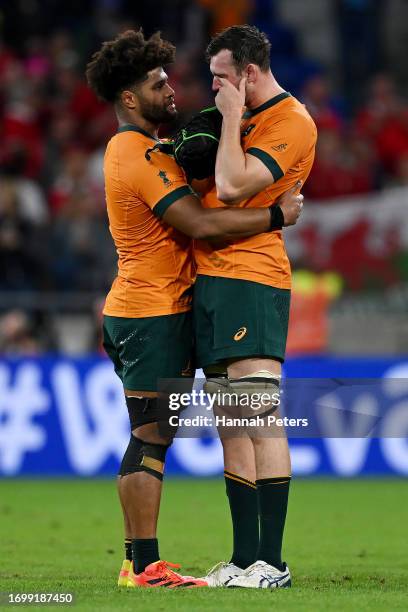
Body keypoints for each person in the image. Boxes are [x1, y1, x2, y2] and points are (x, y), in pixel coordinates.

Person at [85, 29, 303, 589]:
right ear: (130, 99)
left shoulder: (159, 145)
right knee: (152, 436)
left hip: (178, 303)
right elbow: (203, 222)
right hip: (150, 309)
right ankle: (140, 566)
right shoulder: (130, 151)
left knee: (222, 421)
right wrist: (277, 217)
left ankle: (170, 561)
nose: (174, 92)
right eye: (159, 85)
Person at [193, 25, 317, 588]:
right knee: (231, 423)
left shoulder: (291, 121)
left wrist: (229, 116)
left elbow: (234, 184)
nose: (213, 88)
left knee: (260, 416)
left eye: (221, 77)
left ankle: (274, 562)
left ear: (247, 72)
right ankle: (245, 560)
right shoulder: (241, 119)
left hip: (254, 278)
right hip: (213, 281)